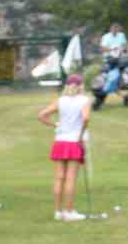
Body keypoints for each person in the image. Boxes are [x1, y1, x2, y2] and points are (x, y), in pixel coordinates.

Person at [38, 73, 91, 221]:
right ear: (80, 86)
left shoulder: (61, 100)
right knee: (70, 178)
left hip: (60, 141)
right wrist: (81, 135)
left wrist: (55, 124)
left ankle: (58, 212)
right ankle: (69, 212)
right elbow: (86, 118)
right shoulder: (84, 100)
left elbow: (41, 115)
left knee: (59, 177)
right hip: (74, 142)